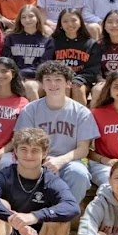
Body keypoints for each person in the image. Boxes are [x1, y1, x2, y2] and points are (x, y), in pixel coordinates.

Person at [12, 60, 99, 202]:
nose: (53, 84)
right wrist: (41, 160)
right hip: (35, 159)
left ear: (68, 83)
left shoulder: (82, 112)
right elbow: (20, 140)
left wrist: (60, 161)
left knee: (79, 173)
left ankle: (66, 215)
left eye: (58, 79)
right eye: (48, 80)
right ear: (41, 84)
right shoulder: (31, 109)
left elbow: (83, 149)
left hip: (68, 161)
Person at [1, 4, 53, 100]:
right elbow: (7, 62)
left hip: (38, 80)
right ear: (19, 20)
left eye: (31, 16)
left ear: (37, 18)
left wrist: (26, 76)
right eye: (23, 17)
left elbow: (45, 65)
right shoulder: (11, 38)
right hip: (15, 78)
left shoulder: (47, 39)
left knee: (30, 86)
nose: (27, 20)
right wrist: (18, 77)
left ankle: (35, 115)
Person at [51, 8, 101, 104]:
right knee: (64, 87)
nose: (70, 24)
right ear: (60, 24)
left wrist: (78, 79)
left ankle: (82, 118)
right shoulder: (53, 42)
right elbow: (48, 63)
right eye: (65, 21)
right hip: (59, 78)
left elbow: (93, 69)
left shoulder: (91, 44)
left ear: (81, 22)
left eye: (74, 20)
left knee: (77, 88)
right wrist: (63, 78)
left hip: (83, 80)